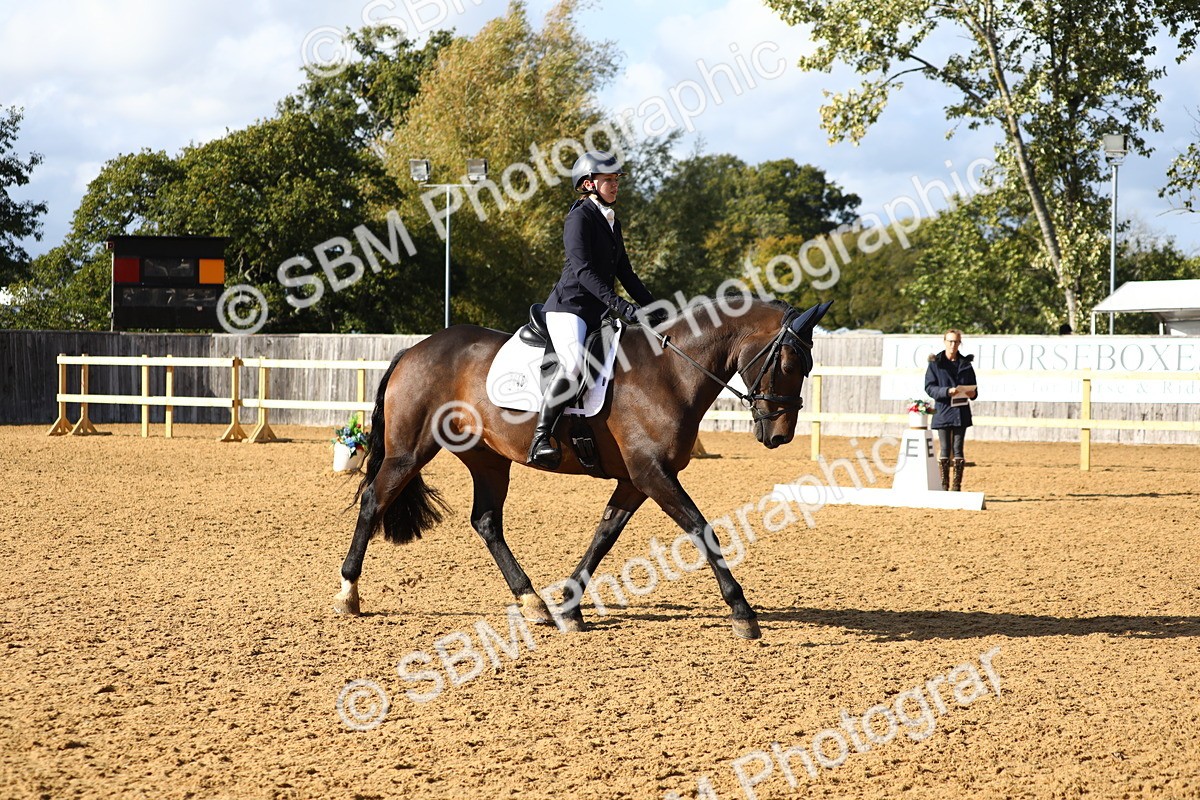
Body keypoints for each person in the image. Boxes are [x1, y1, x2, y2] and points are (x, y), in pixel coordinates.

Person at [526, 150, 666, 469]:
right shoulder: (579, 218)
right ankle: (540, 436)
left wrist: (655, 308)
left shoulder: (612, 222)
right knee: (574, 362)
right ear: (589, 184)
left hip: (596, 312)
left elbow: (625, 273)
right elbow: (583, 271)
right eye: (609, 180)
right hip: (569, 308)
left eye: (617, 180)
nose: (615, 185)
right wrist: (620, 306)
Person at [924, 329, 979, 491]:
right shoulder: (935, 363)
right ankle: (943, 484)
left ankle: (956, 486)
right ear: (944, 342)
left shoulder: (966, 364)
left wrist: (972, 393)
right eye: (950, 341)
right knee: (945, 448)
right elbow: (929, 387)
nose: (953, 345)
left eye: (956, 342)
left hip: (961, 412)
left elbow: (975, 389)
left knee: (958, 448)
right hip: (943, 410)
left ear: (959, 343)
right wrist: (947, 391)